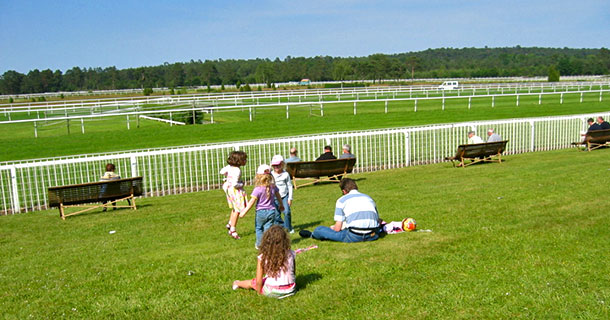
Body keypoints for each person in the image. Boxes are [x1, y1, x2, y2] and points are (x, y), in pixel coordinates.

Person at [299, 178, 381, 243]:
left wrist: (333, 228)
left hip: (354, 236)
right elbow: (378, 220)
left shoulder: (341, 200)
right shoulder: (369, 198)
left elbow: (337, 228)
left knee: (320, 229)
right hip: (373, 234)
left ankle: (313, 235)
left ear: (344, 191)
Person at [232, 225, 296, 299]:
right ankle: (238, 283)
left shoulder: (263, 257)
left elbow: (259, 280)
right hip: (291, 290)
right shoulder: (291, 253)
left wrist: (259, 292)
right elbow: (293, 272)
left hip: (271, 291)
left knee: (253, 282)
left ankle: (237, 283)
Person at [240, 167, 284, 249]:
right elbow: (278, 197)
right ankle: (267, 244)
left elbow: (251, 202)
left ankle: (259, 244)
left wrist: (244, 212)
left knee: (259, 228)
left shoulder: (258, 189)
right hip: (272, 211)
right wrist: (281, 205)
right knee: (267, 229)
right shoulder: (273, 187)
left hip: (260, 212)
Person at [220, 151, 248, 240]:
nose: (246, 161)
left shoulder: (230, 167)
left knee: (234, 208)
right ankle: (233, 229)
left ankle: (230, 223)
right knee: (238, 209)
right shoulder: (237, 170)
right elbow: (235, 184)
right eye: (244, 159)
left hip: (228, 189)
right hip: (235, 190)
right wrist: (242, 184)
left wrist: (227, 174)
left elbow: (222, 171)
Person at [271, 155, 294, 233]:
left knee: (287, 212)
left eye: (278, 165)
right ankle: (279, 230)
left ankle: (288, 228)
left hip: (284, 196)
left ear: (282, 164)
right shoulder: (271, 175)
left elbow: (290, 186)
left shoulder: (285, 174)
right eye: (274, 165)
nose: (276, 167)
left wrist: (290, 198)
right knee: (276, 215)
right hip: (274, 198)